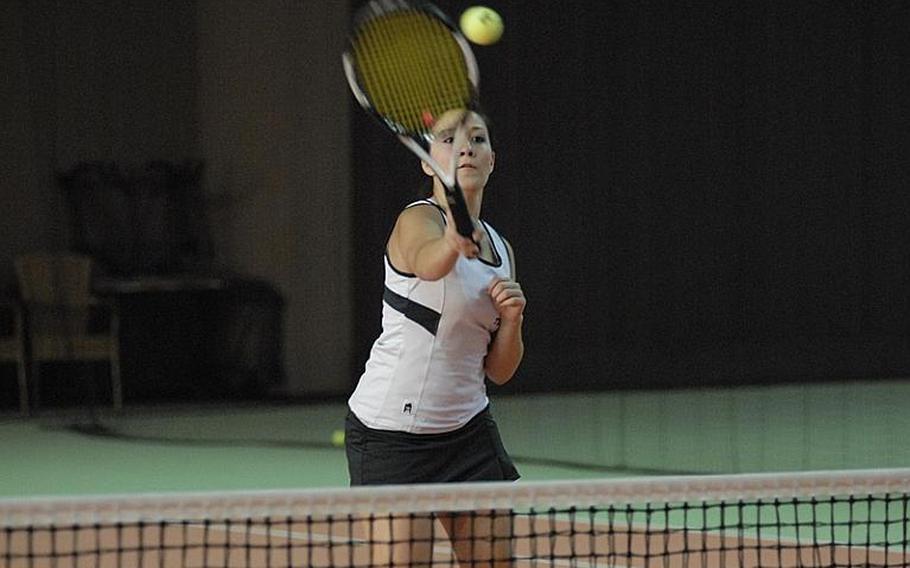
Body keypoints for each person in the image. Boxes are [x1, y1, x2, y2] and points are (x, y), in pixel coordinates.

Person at [345, 108, 525, 567]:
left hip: (468, 434)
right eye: (448, 139)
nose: (466, 147)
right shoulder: (416, 222)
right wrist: (452, 243)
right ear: (427, 161)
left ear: (491, 161)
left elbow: (498, 371)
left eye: (478, 139)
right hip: (391, 439)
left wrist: (513, 320)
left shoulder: (501, 250)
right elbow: (428, 262)